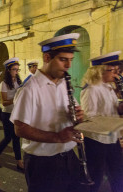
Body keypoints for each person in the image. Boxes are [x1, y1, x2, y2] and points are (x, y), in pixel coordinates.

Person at [10, 33, 86, 192]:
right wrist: (57, 137)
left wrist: (78, 117)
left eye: (70, 60)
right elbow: (20, 129)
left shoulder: (64, 84)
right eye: (63, 59)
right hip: (43, 164)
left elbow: (71, 115)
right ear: (46, 58)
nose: (68, 65)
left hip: (69, 157)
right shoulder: (29, 89)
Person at [80, 51, 123, 192]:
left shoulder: (108, 87)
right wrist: (111, 122)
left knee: (118, 172)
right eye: (112, 71)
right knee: (96, 176)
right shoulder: (91, 89)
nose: (116, 74)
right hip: (97, 141)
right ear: (100, 71)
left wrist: (119, 109)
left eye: (117, 70)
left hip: (112, 137)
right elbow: (88, 118)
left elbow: (111, 110)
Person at [0, 57, 24, 170]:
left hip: (17, 113)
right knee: (8, 138)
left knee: (16, 138)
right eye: (14, 69)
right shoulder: (4, 84)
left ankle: (19, 161)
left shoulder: (19, 82)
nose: (16, 72)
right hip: (7, 114)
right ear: (8, 70)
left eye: (17, 69)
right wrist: (16, 98)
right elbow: (4, 102)